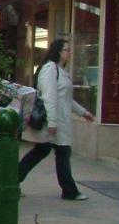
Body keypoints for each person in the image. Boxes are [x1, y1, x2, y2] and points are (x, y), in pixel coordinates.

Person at [18, 38, 95, 200]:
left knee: (44, 152)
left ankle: (12, 181)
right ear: (58, 52)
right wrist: (52, 122)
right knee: (61, 153)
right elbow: (49, 97)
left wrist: (83, 112)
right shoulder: (50, 69)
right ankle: (69, 190)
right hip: (53, 122)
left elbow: (65, 98)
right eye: (66, 50)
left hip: (59, 120)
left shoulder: (60, 70)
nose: (70, 53)